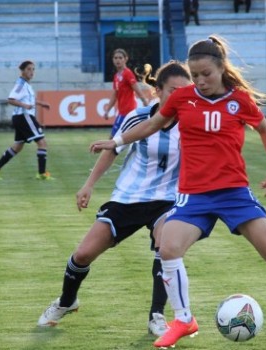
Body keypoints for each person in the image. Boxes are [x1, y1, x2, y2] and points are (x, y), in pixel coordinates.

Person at [90, 35, 266, 348]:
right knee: (168, 248)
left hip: (234, 193)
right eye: (194, 75)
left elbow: (264, 129)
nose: (200, 81)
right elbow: (153, 123)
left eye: (205, 74)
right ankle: (183, 319)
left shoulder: (239, 100)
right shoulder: (182, 98)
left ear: (222, 68)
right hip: (193, 195)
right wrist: (116, 141)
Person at [37, 61, 192, 337]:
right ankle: (66, 301)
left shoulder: (191, 123)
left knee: (165, 243)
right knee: (82, 255)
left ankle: (157, 316)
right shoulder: (138, 116)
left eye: (185, 91)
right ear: (157, 91)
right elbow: (113, 149)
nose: (180, 96)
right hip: (128, 198)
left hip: (167, 200)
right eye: (173, 90)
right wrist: (88, 185)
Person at [0, 60, 52, 181]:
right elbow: (11, 99)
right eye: (29, 69)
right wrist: (24, 105)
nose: (32, 72)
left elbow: (29, 100)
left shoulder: (26, 85)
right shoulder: (20, 84)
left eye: (33, 69)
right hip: (24, 116)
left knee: (17, 146)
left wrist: (41, 104)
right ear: (22, 71)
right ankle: (42, 173)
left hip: (20, 117)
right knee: (42, 143)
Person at [101, 48, 150, 138]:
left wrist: (145, 103)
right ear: (113, 60)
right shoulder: (116, 76)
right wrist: (107, 110)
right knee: (130, 137)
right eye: (115, 58)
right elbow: (115, 95)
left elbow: (137, 89)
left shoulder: (128, 74)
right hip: (122, 111)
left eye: (120, 58)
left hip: (128, 111)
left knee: (113, 137)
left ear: (126, 59)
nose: (117, 60)